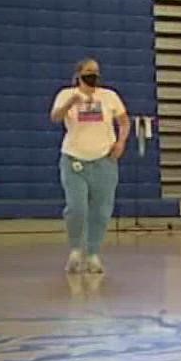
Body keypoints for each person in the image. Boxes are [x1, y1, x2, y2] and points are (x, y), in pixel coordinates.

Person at [49, 58, 130, 275]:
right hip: (74, 159)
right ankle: (76, 250)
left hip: (104, 160)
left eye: (96, 71)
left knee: (102, 211)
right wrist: (71, 103)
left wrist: (121, 142)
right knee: (77, 207)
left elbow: (124, 121)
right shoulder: (66, 94)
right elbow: (55, 117)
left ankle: (93, 254)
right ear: (78, 74)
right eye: (88, 71)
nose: (92, 75)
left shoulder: (109, 96)